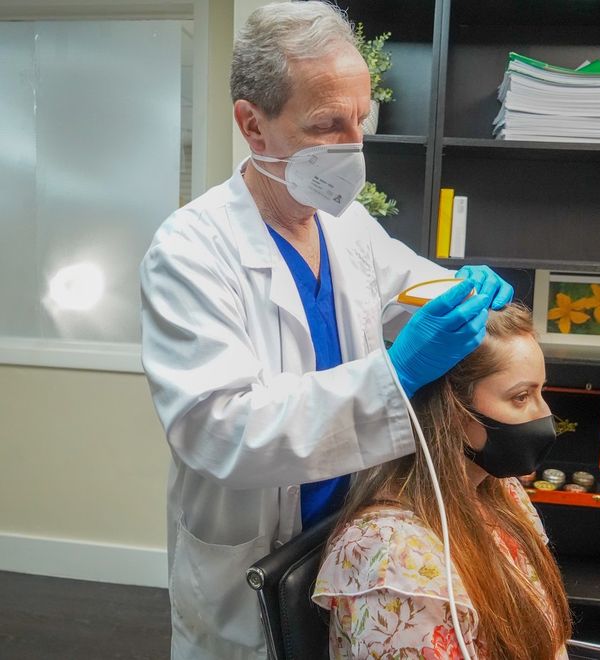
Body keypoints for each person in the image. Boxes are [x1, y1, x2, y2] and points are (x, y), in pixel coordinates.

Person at [139, 2, 513, 658]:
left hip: (345, 536)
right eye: (325, 125)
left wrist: (463, 291)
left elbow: (415, 288)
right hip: (250, 552)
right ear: (253, 125)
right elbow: (219, 427)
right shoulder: (190, 250)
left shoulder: (346, 226)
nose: (351, 147)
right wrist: (392, 376)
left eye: (358, 121)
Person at [313, 303, 573, 659]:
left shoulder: (502, 491)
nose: (544, 415)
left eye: (541, 392)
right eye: (521, 397)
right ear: (453, 409)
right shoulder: (394, 559)